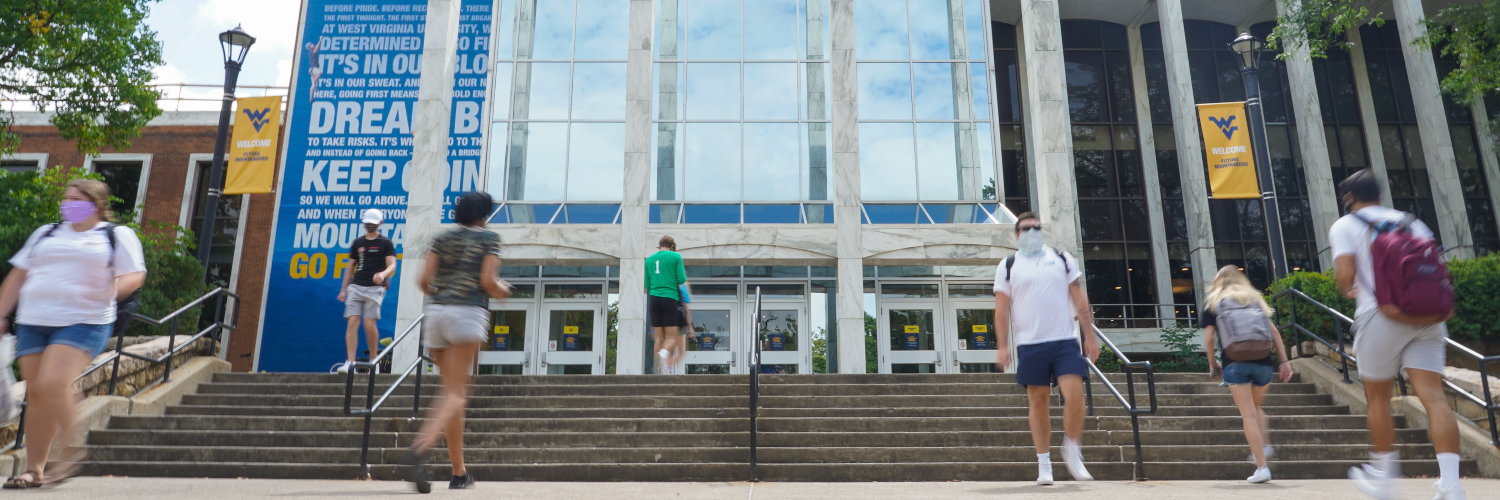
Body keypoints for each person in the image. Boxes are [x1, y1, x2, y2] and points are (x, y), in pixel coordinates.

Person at [0, 180, 146, 488]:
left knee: (54, 382)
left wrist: (112, 290)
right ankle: (35, 469)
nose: (68, 204)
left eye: (77, 199)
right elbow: (18, 276)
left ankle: (72, 447)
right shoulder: (46, 232)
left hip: (85, 320)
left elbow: (135, 274)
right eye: (66, 199)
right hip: (34, 320)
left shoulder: (116, 235)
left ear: (96, 204)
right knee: (37, 393)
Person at [1331, 169, 1467, 500]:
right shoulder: (1411, 221)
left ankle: (1383, 478)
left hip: (1381, 315)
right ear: (1379, 193)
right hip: (1429, 317)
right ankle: (1451, 484)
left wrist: (1352, 289)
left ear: (1349, 198)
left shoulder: (1345, 225)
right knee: (1434, 397)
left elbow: (1346, 279)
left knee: (1378, 397)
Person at [403, 191, 511, 493]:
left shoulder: (442, 237)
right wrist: (505, 291)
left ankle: (459, 472)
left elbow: (423, 281)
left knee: (452, 393)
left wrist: (444, 291)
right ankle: (419, 446)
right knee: (456, 395)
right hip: (467, 315)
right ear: (483, 214)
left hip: (436, 314)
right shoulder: (488, 239)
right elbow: (489, 283)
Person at [993, 212, 1099, 485]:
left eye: (1035, 228)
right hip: (1029, 344)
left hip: (1064, 340)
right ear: (1016, 235)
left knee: (1075, 395)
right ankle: (1044, 464)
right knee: (1038, 402)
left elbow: (1080, 299)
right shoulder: (1008, 265)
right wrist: (1002, 346)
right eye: (1025, 228)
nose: (1031, 232)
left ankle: (1072, 448)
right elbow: (1002, 310)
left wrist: (1090, 335)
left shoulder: (1061, 259)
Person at [1201, 265, 1293, 484]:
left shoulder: (1214, 301)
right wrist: (1284, 362)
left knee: (1248, 414)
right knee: (1256, 407)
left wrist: (1213, 362)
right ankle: (1264, 445)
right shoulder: (1254, 299)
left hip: (1235, 362)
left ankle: (1262, 466)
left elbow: (1209, 338)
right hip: (1263, 362)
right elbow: (1274, 332)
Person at [335, 208, 396, 373]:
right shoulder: (358, 243)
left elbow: (392, 264)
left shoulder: (385, 243)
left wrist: (383, 275)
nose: (370, 226)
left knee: (369, 324)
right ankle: (350, 362)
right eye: (367, 223)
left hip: (375, 289)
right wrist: (344, 289)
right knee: (352, 321)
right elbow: (350, 267)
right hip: (356, 286)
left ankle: (373, 360)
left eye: (373, 224)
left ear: (380, 224)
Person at [645, 236, 688, 375]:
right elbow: (681, 279)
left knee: (659, 336)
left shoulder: (649, 260)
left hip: (654, 298)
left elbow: (647, 284)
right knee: (672, 336)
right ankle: (663, 355)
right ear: (672, 246)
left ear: (660, 246)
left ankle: (659, 369)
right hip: (669, 298)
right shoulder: (676, 256)